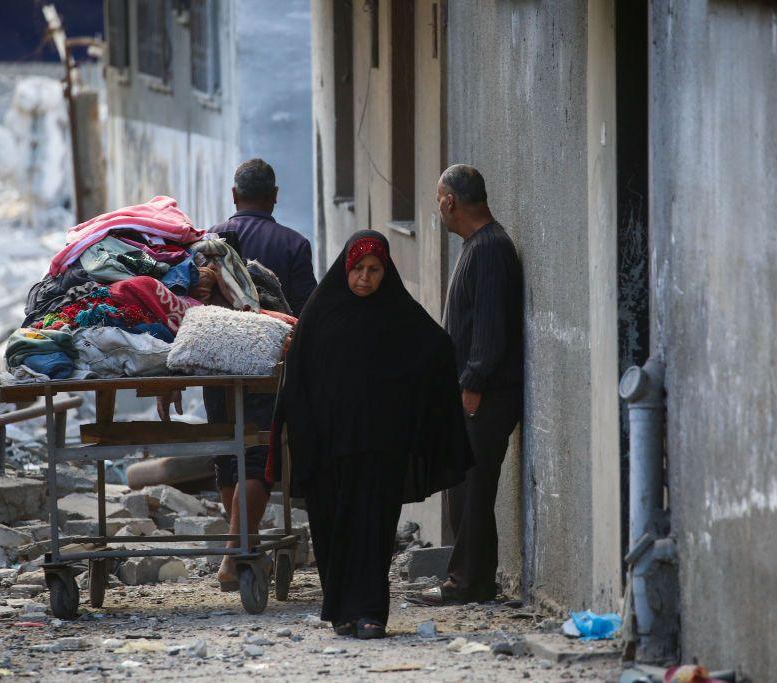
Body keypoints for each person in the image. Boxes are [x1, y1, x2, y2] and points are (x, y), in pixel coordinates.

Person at [268, 230, 473, 638]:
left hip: (381, 448)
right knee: (333, 527)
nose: (365, 278)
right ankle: (341, 611)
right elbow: (297, 380)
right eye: (358, 268)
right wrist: (302, 437)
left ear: (386, 271)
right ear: (346, 268)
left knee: (374, 529)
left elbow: (438, 348)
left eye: (375, 270)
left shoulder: (398, 313)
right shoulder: (321, 313)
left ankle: (371, 614)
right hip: (329, 449)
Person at [158, 158, 317, 591]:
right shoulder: (294, 245)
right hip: (265, 365)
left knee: (227, 450)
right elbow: (306, 312)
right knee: (257, 454)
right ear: (275, 196)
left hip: (214, 363)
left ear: (233, 195)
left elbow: (185, 303)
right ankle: (235, 555)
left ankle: (244, 550)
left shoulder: (210, 241)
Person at [422, 164, 523, 605]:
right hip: (475, 388)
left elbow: (490, 326)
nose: (438, 208)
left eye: (438, 199)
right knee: (467, 487)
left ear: (449, 202)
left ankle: (465, 583)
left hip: (486, 392)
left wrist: (473, 381)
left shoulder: (488, 249)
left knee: (473, 487)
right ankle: (475, 580)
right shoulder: (480, 246)